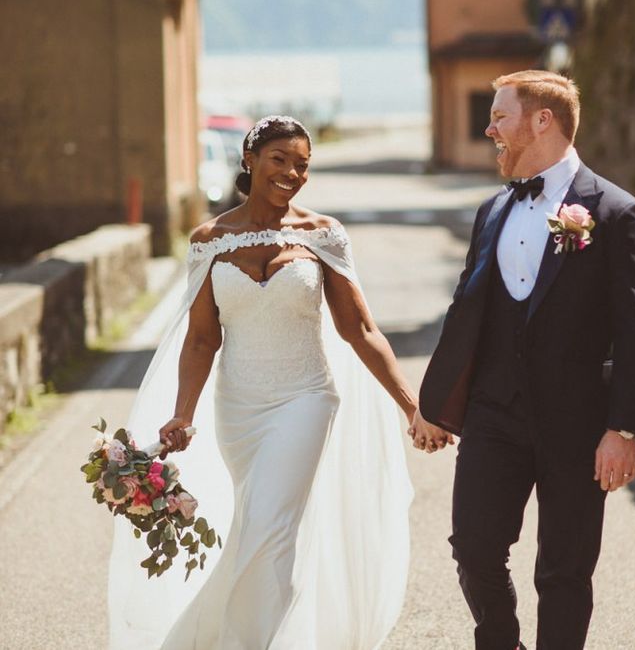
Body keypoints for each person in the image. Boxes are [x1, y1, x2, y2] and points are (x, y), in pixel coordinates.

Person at [108, 115, 452, 650]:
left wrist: (413, 407)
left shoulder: (322, 235)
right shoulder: (210, 239)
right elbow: (201, 341)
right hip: (239, 408)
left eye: (303, 165)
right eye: (280, 160)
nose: (292, 173)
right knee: (259, 530)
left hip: (307, 398)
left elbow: (360, 330)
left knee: (271, 529)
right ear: (249, 160)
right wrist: (183, 414)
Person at [412, 71, 635, 650]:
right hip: (494, 415)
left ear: (541, 120)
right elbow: (466, 311)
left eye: (500, 117)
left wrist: (623, 427)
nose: (489, 128)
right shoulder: (491, 212)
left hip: (578, 424)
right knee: (473, 548)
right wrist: (435, 405)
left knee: (564, 572)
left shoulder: (617, 213)